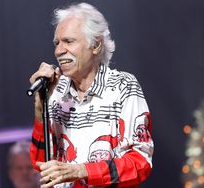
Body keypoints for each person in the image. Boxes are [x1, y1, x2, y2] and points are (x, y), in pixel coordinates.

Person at [29, 2, 154, 188]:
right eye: (57, 43)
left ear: (96, 45)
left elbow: (140, 162)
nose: (58, 51)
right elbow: (41, 166)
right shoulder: (56, 92)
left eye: (68, 41)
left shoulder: (123, 86)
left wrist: (82, 171)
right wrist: (41, 110)